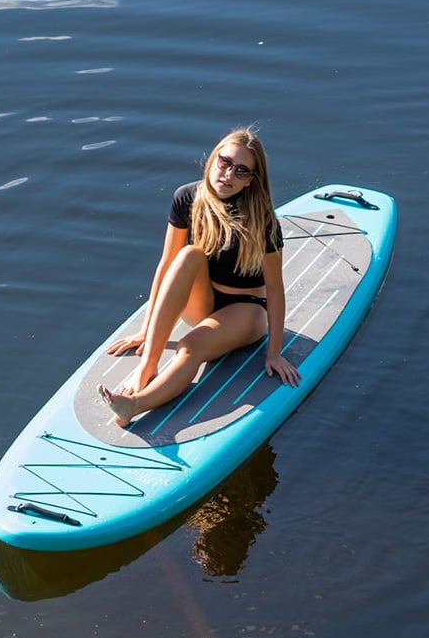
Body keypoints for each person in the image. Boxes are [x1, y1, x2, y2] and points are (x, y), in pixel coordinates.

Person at [98, 127, 293, 428]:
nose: (228, 174)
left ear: (251, 180)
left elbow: (276, 289)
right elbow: (166, 266)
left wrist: (274, 353)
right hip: (204, 300)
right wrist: (147, 330)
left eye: (241, 171)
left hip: (247, 309)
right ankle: (147, 367)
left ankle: (135, 405)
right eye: (225, 162)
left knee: (190, 346)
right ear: (213, 158)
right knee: (189, 255)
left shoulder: (263, 221)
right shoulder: (186, 197)